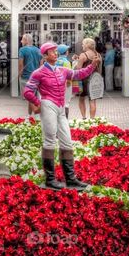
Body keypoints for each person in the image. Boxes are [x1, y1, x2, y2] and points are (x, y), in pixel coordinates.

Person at [23, 42, 100, 190]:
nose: (56, 54)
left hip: (60, 107)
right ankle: (50, 179)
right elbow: (27, 91)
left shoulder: (62, 70)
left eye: (56, 51)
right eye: (52, 52)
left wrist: (92, 66)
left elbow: (79, 74)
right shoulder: (38, 73)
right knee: (50, 140)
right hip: (48, 105)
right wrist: (37, 103)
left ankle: (70, 179)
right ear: (45, 56)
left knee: (67, 141)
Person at [76, 38, 102, 119]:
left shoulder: (83, 55)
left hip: (84, 80)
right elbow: (100, 69)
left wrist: (76, 62)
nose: (82, 45)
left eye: (83, 44)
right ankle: (92, 119)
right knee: (92, 100)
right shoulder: (98, 55)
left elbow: (78, 70)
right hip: (94, 80)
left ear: (87, 45)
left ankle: (84, 118)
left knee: (81, 99)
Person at [18, 34, 41, 119]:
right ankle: (29, 115)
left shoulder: (22, 50)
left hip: (26, 76)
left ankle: (37, 114)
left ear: (26, 40)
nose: (21, 41)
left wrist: (19, 74)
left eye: (22, 40)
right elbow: (41, 63)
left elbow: (21, 64)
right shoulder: (38, 50)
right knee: (32, 96)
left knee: (28, 96)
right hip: (36, 77)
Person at [56, 44, 73, 118]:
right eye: (67, 50)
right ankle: (65, 120)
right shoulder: (67, 62)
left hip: (56, 83)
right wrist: (69, 83)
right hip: (66, 84)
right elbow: (69, 74)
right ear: (66, 52)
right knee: (66, 103)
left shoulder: (55, 61)